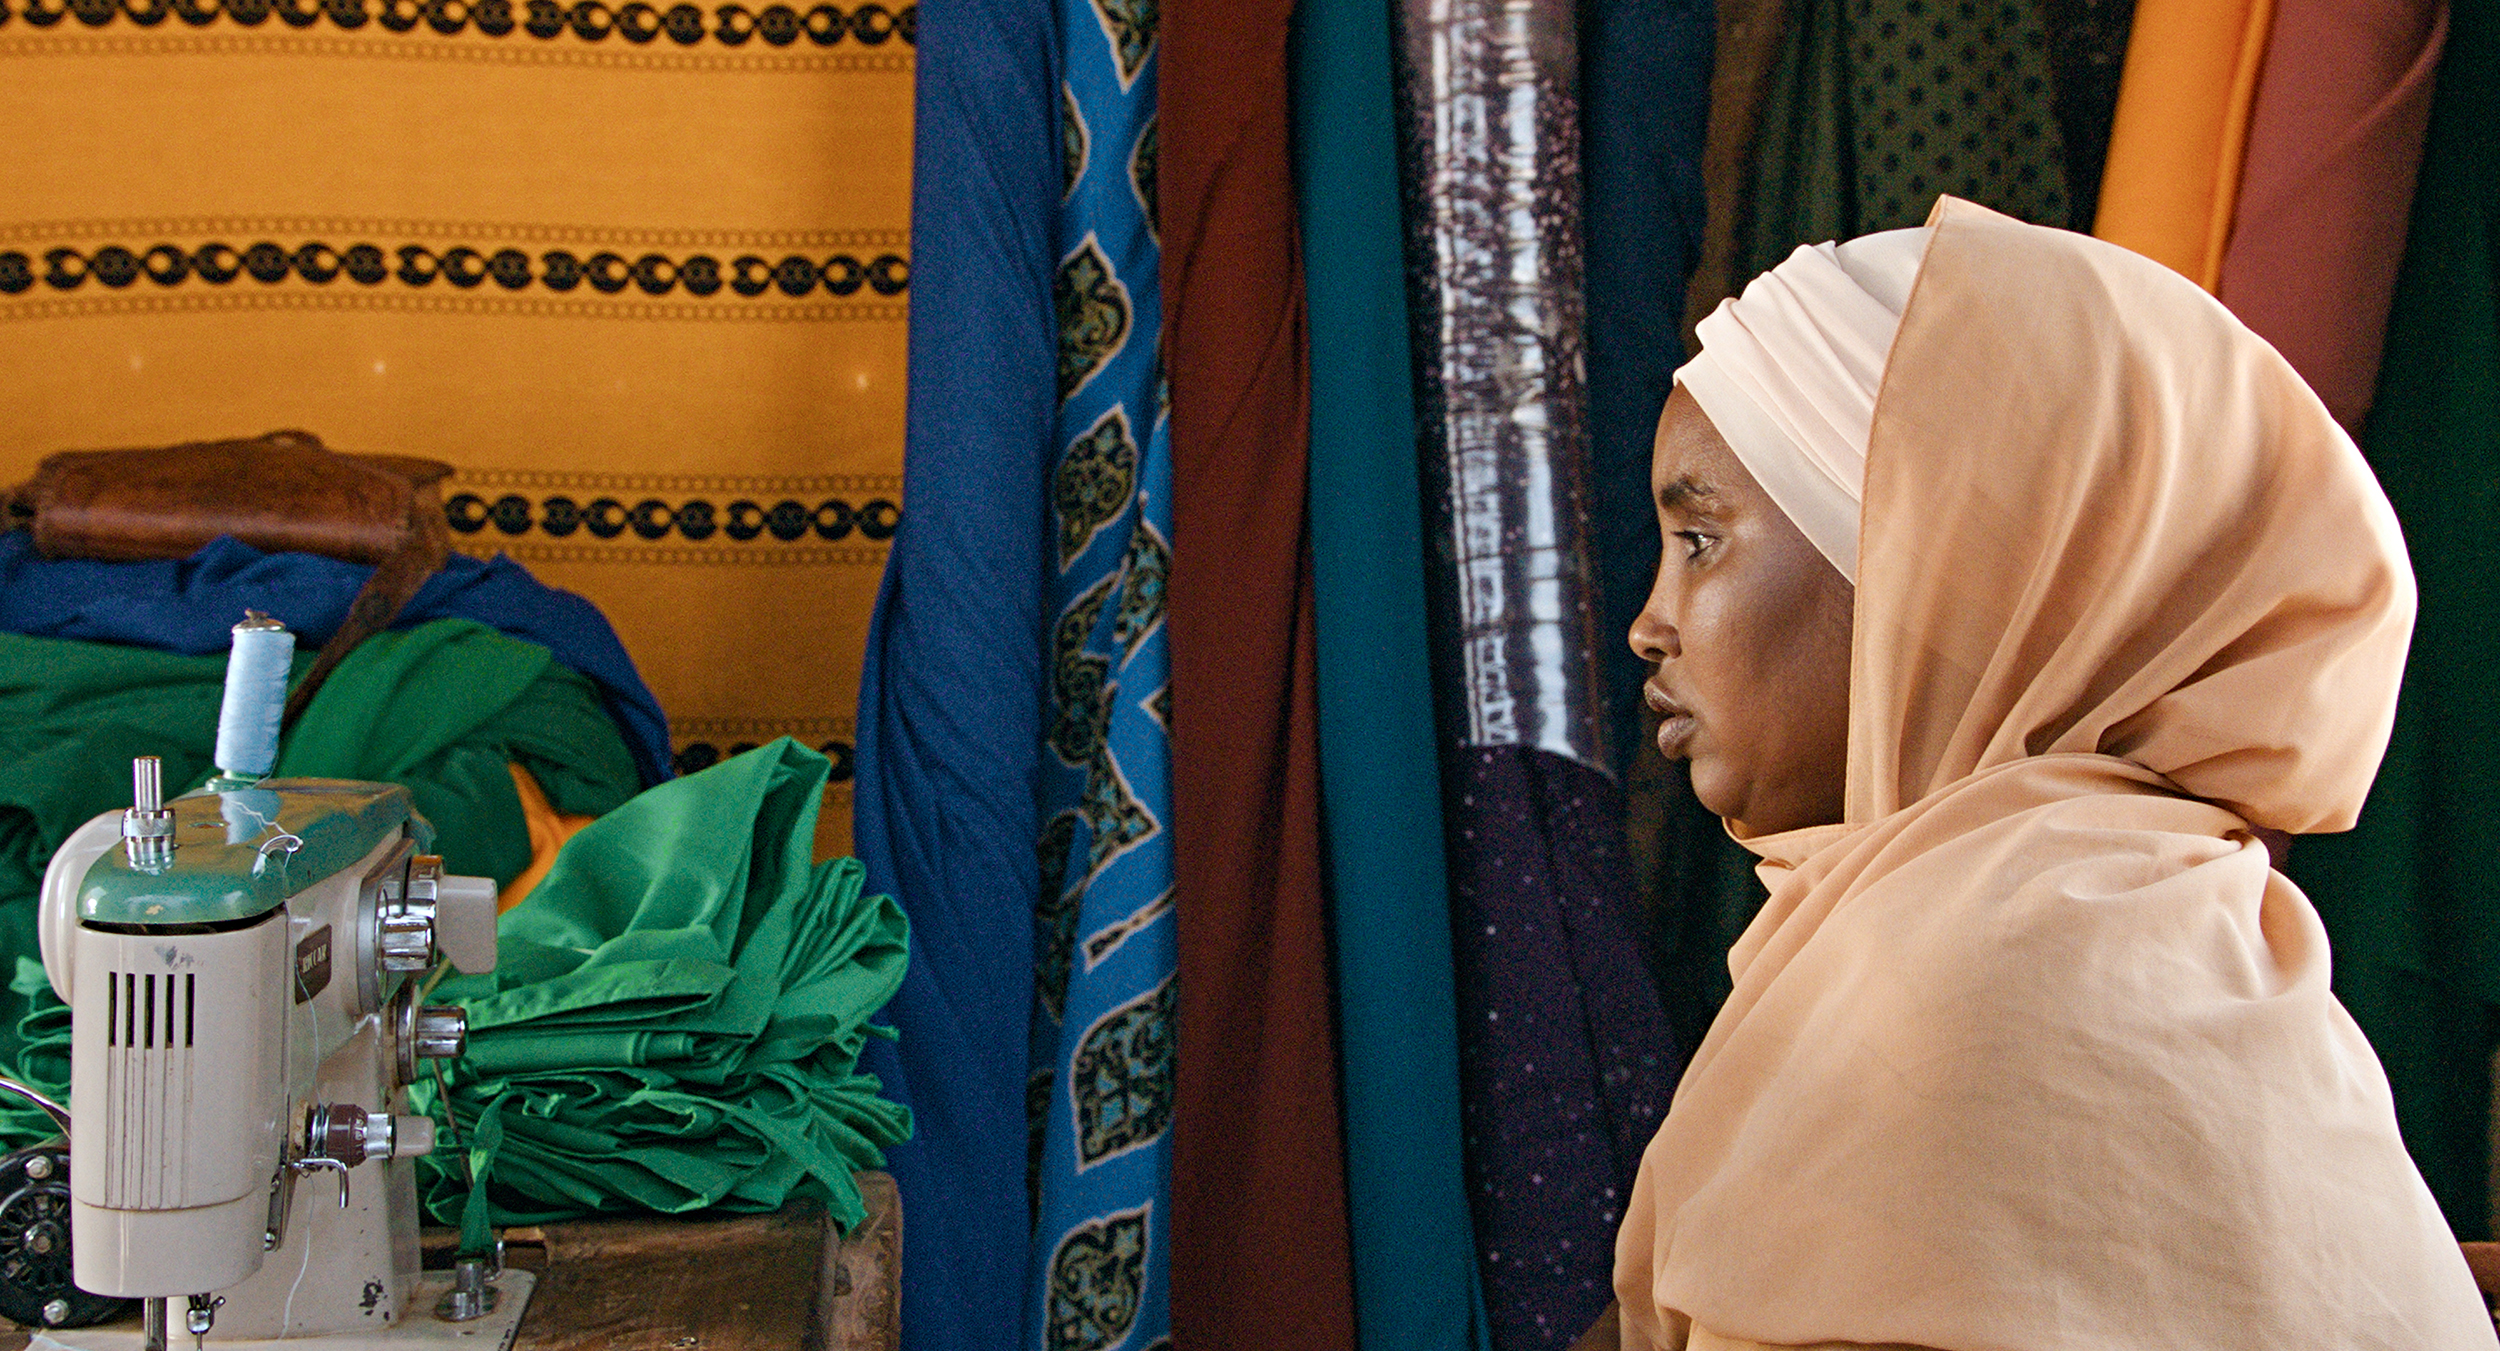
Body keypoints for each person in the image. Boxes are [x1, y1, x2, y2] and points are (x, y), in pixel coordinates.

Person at [1581, 197, 2497, 1350]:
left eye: (1700, 541)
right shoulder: (2168, 933)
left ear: (1939, 567)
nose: (1649, 626)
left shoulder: (1981, 995)